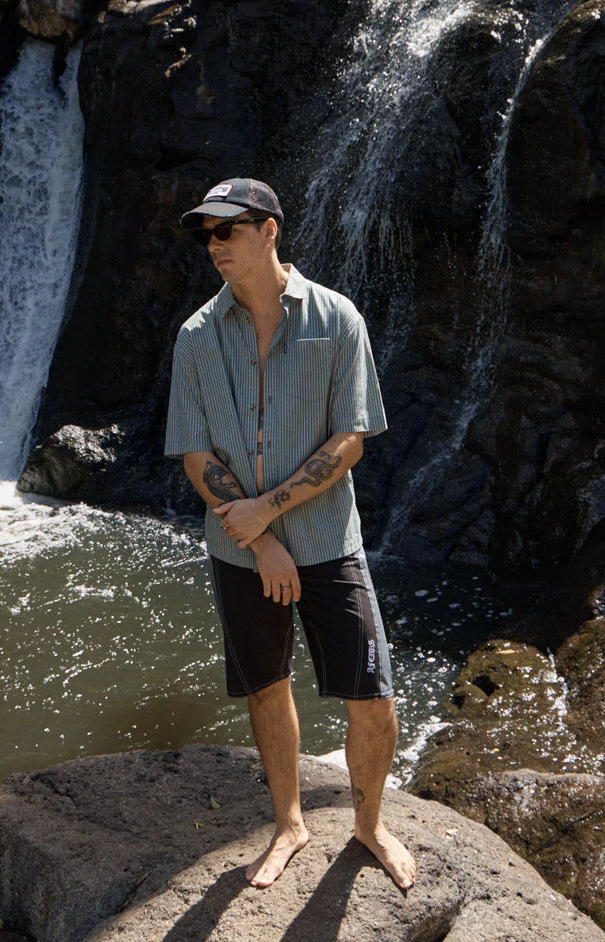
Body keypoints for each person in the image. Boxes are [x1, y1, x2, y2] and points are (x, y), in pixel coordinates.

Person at [164, 178, 416, 890]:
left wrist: (269, 511)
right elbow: (196, 455)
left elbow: (351, 440)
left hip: (329, 540)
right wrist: (260, 540)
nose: (214, 245)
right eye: (206, 233)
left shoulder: (337, 318)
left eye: (227, 229)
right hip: (241, 550)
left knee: (374, 698)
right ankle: (289, 824)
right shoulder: (196, 336)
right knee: (268, 689)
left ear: (269, 229)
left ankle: (369, 825)